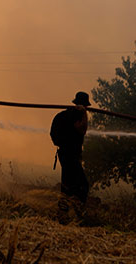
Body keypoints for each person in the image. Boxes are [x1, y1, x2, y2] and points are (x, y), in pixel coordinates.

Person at [50, 91, 91, 222]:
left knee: (67, 186)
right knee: (83, 185)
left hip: (66, 154)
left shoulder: (68, 113)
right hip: (69, 155)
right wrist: (84, 113)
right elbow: (81, 129)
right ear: (84, 105)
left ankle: (63, 215)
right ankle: (79, 216)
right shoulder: (76, 114)